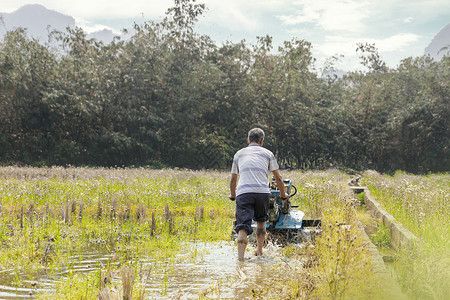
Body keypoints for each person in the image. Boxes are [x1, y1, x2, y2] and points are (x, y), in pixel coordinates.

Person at [229, 128, 289, 261]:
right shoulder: (268, 153)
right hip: (262, 193)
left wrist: (233, 195)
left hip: (244, 193)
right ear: (261, 141)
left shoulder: (239, 154)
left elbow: (233, 179)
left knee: (242, 227)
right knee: (261, 222)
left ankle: (240, 259)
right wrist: (283, 194)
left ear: (248, 140)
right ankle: (260, 252)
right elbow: (278, 178)